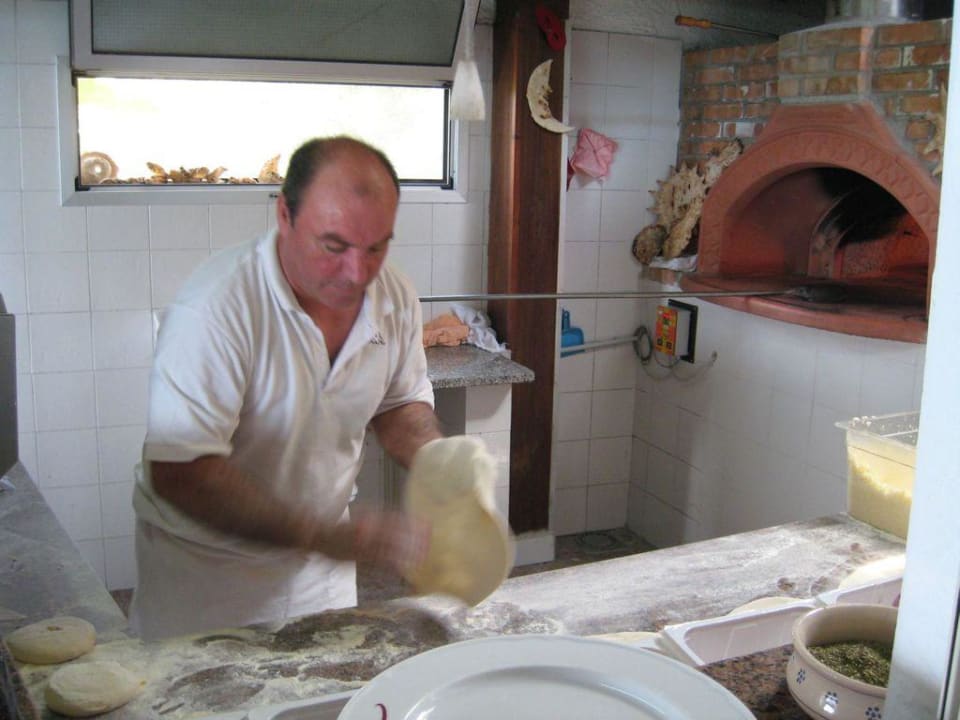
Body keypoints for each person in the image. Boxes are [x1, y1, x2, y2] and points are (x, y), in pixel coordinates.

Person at [128, 136, 444, 640]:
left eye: (376, 247)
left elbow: (399, 401)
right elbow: (180, 471)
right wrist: (325, 535)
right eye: (333, 246)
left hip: (322, 577)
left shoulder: (393, 295)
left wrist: (439, 462)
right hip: (208, 585)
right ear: (284, 217)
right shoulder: (216, 307)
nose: (356, 273)